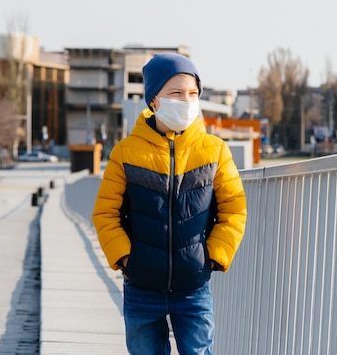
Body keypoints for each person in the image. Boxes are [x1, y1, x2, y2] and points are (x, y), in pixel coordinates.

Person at [92, 53, 247, 355]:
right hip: (141, 286)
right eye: (176, 93)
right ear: (154, 100)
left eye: (192, 93)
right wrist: (125, 258)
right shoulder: (125, 152)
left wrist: (213, 257)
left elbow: (234, 209)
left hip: (193, 288)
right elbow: (105, 213)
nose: (186, 101)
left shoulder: (215, 151)